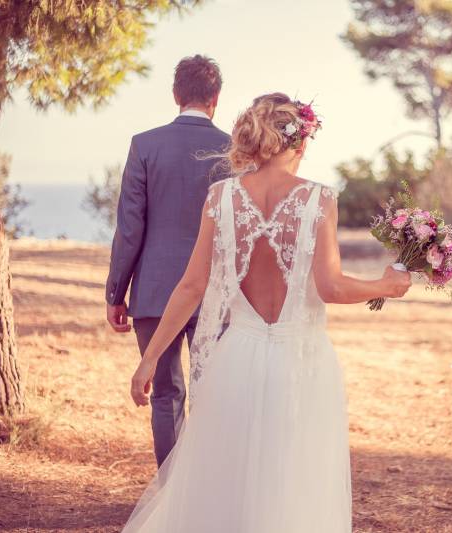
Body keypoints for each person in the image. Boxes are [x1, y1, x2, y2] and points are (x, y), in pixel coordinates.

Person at [121, 93, 412, 532]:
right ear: (301, 141)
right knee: (295, 476)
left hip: (238, 358)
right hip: (302, 362)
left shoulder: (220, 197)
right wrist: (386, 285)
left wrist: (149, 359)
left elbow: (191, 287)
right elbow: (331, 287)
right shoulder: (319, 199)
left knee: (230, 478)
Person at [105, 55, 231, 467]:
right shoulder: (235, 149)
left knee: (165, 393)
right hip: (215, 291)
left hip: (155, 291)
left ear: (176, 95)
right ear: (215, 98)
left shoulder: (145, 144)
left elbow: (130, 228)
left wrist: (116, 293)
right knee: (213, 394)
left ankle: (170, 489)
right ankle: (209, 483)